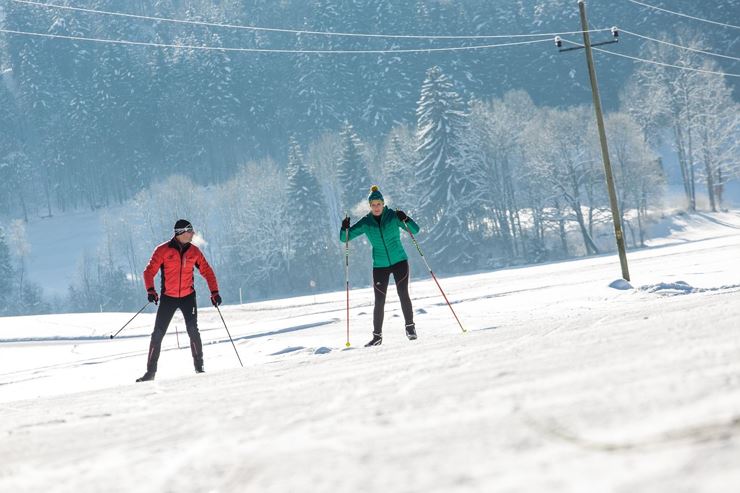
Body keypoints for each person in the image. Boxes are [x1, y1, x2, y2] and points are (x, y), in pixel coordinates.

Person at [136, 219, 221, 382]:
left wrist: (214, 292)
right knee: (157, 335)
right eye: (190, 231)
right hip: (168, 298)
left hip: (188, 298)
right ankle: (150, 373)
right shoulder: (162, 250)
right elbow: (148, 272)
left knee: (193, 330)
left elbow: (207, 272)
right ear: (181, 233)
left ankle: (199, 368)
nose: (193, 234)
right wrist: (151, 290)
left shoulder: (194, 252)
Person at [340, 185, 420, 347]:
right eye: (373, 205)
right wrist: (344, 227)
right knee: (379, 300)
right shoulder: (366, 222)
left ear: (383, 203)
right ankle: (377, 337)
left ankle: (410, 328)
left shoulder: (392, 216)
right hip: (380, 265)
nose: (376, 207)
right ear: (369, 206)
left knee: (403, 292)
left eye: (378, 204)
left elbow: (415, 230)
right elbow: (345, 238)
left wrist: (406, 218)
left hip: (399, 261)